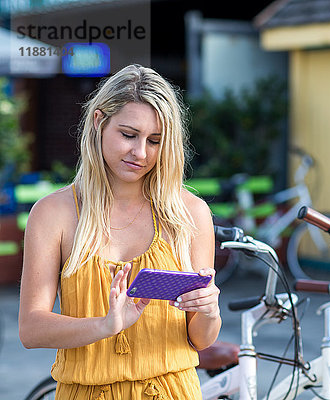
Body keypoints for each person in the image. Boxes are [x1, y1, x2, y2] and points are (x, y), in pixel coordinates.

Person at [18, 64, 223, 399]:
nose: (140, 153)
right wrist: (104, 325)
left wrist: (209, 310)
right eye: (129, 135)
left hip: (172, 390)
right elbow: (31, 328)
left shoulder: (189, 214)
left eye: (155, 141)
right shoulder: (54, 213)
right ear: (99, 121)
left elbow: (201, 339)